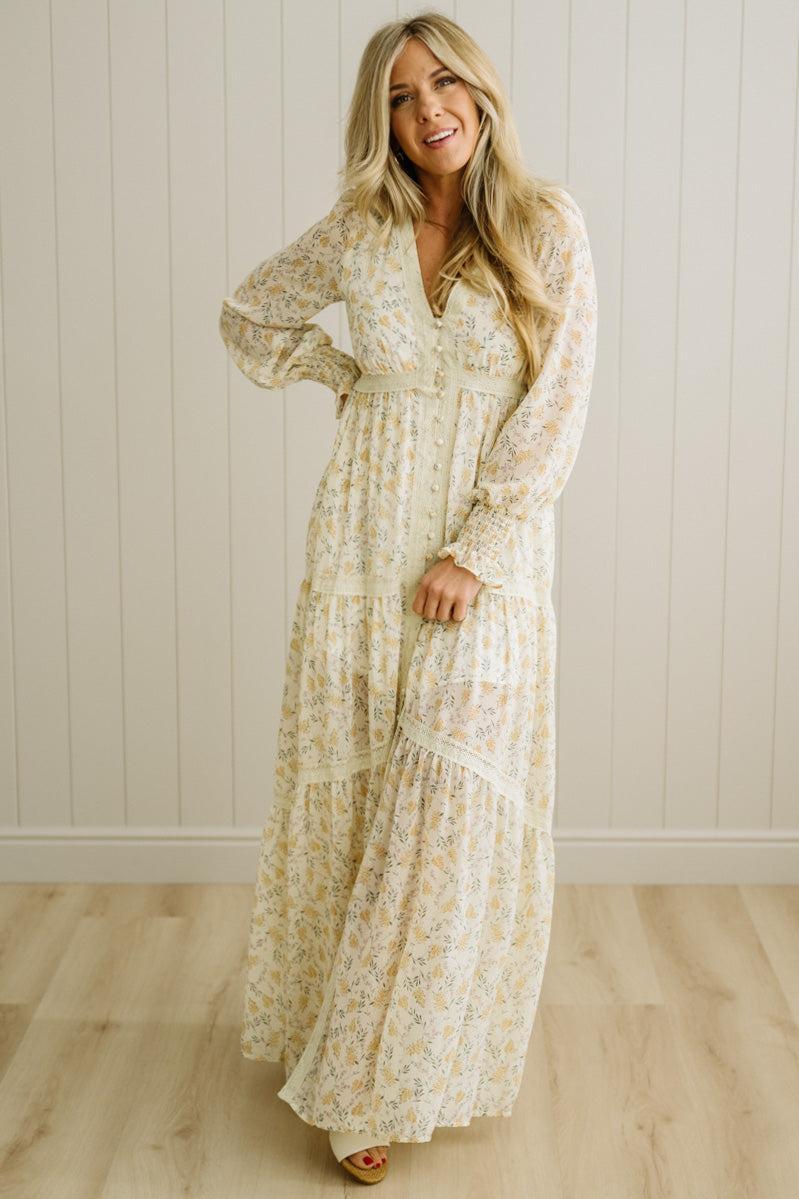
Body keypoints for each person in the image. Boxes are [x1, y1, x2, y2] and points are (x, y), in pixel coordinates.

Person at [219, 9, 598, 1185]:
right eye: (397, 94)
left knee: (443, 809)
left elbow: (559, 405)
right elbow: (248, 315)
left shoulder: (547, 225)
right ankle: (350, 1040)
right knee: (362, 799)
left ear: (479, 94)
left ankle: (376, 1074)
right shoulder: (359, 231)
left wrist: (475, 550)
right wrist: (343, 376)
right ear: (377, 119)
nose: (425, 107)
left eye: (442, 82)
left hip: (485, 567)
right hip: (359, 547)